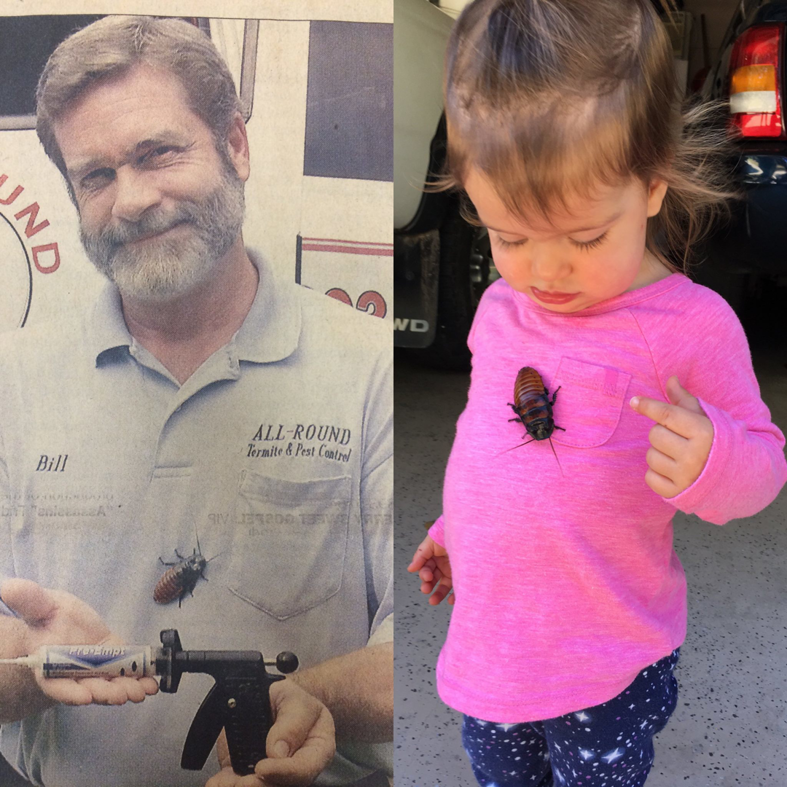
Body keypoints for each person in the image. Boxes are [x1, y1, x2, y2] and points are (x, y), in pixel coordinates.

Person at [0, 15, 392, 787]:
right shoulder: (11, 378)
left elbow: (431, 644)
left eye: (158, 153)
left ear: (236, 146)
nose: (133, 200)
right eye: (96, 176)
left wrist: (309, 696)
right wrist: (24, 668)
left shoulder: (371, 367)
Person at [407, 1, 787, 785]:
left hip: (605, 667)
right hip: (492, 650)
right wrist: (456, 528)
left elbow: (765, 463)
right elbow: (486, 442)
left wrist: (715, 456)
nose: (544, 270)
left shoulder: (688, 326)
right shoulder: (496, 310)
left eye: (582, 237)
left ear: (650, 187)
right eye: (507, 235)